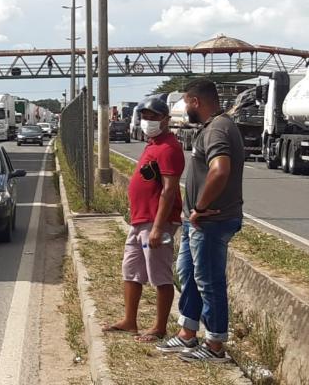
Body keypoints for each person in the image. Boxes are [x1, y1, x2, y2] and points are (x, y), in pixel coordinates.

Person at [156, 79, 245, 363]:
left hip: (210, 221)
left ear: (196, 101)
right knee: (189, 274)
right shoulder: (212, 126)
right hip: (198, 222)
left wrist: (200, 207)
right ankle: (187, 333)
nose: (185, 109)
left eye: (186, 102)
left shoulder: (218, 128)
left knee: (209, 281)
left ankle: (215, 345)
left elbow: (220, 170)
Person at [103, 97, 183, 343]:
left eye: (154, 117)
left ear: (165, 119)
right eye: (145, 116)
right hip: (140, 220)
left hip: (155, 222)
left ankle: (159, 328)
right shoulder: (153, 145)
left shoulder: (169, 148)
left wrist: (158, 227)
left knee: (159, 275)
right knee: (131, 270)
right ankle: (130, 320)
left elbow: (169, 190)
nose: (148, 121)